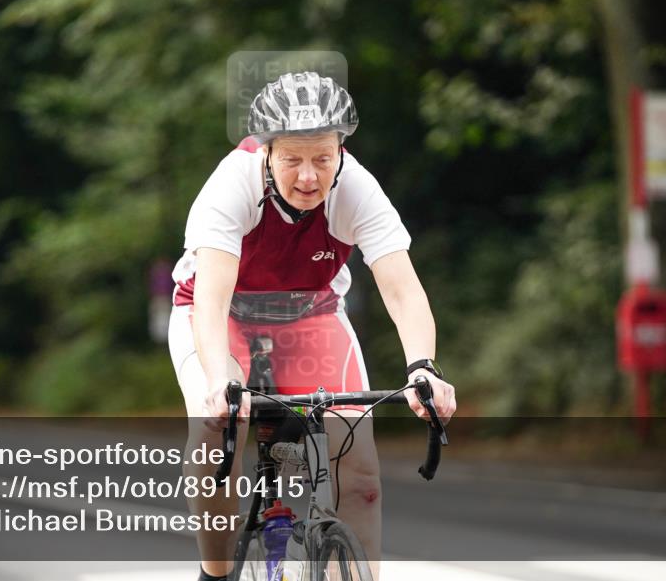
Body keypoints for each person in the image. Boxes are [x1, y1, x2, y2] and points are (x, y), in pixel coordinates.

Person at [168, 71, 457, 581]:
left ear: (340, 150)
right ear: (266, 152)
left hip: (309, 313)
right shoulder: (231, 186)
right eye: (292, 160)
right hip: (222, 314)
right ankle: (215, 573)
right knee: (220, 430)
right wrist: (218, 381)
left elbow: (403, 290)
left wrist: (423, 368)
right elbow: (210, 303)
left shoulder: (357, 188)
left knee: (361, 475)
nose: (308, 177)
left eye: (323, 158)